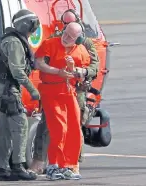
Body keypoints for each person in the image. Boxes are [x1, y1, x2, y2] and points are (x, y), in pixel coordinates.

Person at [30, 8, 100, 174]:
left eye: (70, 25)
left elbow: (94, 66)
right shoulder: (53, 40)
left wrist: (82, 72)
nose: (66, 32)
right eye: (65, 26)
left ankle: (73, 162)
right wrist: (56, 71)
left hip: (76, 89)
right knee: (47, 123)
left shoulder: (85, 43)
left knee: (75, 124)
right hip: (54, 89)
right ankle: (39, 160)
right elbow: (40, 61)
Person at [0, 9, 41, 181]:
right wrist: (33, 90)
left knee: (5, 129)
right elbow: (17, 71)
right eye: (33, 26)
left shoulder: (6, 40)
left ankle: (0, 168)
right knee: (21, 126)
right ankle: (18, 166)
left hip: (0, 89)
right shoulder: (15, 43)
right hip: (9, 90)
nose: (34, 29)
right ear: (26, 26)